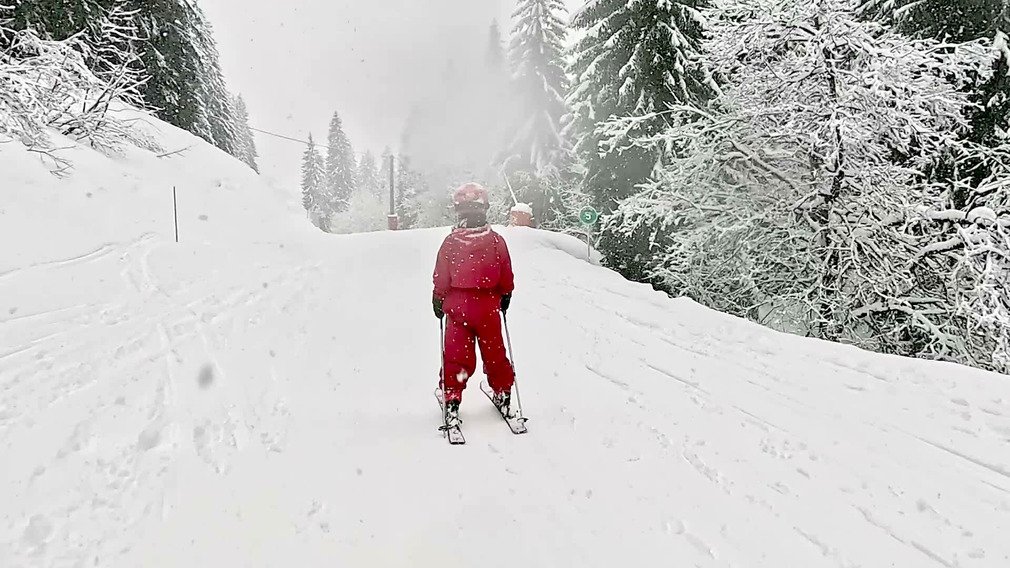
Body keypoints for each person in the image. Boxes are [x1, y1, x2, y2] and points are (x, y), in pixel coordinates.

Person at [432, 182, 515, 427]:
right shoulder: (496, 241)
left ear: (458, 211)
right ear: (485, 208)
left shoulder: (450, 243)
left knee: (457, 356)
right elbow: (505, 272)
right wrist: (506, 293)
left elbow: (442, 275)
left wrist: (438, 298)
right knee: (494, 352)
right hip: (488, 307)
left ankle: (452, 397)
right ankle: (502, 391)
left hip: (458, 308)